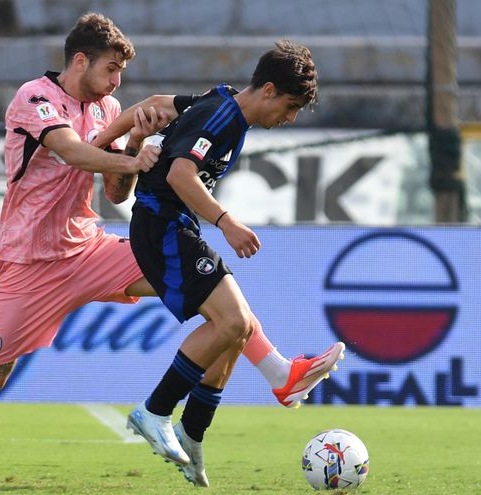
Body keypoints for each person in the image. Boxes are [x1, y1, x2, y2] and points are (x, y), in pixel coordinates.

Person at [0, 14, 330, 485]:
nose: (115, 82)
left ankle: (277, 375)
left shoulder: (108, 110)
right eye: (109, 69)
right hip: (30, 264)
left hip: (90, 251)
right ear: (80, 61)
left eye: (120, 73)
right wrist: (130, 153)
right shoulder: (35, 98)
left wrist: (138, 141)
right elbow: (71, 152)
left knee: (214, 292)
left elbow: (117, 193)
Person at [125, 40, 346, 487]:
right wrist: (227, 222)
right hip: (161, 226)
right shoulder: (221, 115)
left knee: (239, 325)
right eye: (290, 106)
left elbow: (154, 104)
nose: (289, 118)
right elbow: (178, 174)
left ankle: (194, 429)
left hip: (174, 226)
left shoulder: (220, 103)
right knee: (230, 322)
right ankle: (154, 411)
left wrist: (111, 139)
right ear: (267, 90)